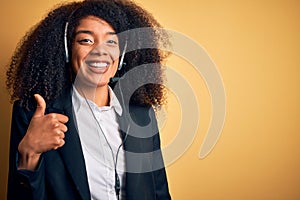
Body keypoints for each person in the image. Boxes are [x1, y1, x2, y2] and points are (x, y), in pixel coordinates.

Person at [6, 0, 171, 199]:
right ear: (67, 51)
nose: (100, 51)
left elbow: (159, 192)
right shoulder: (34, 114)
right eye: (86, 40)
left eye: (111, 41)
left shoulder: (142, 114)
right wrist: (29, 153)